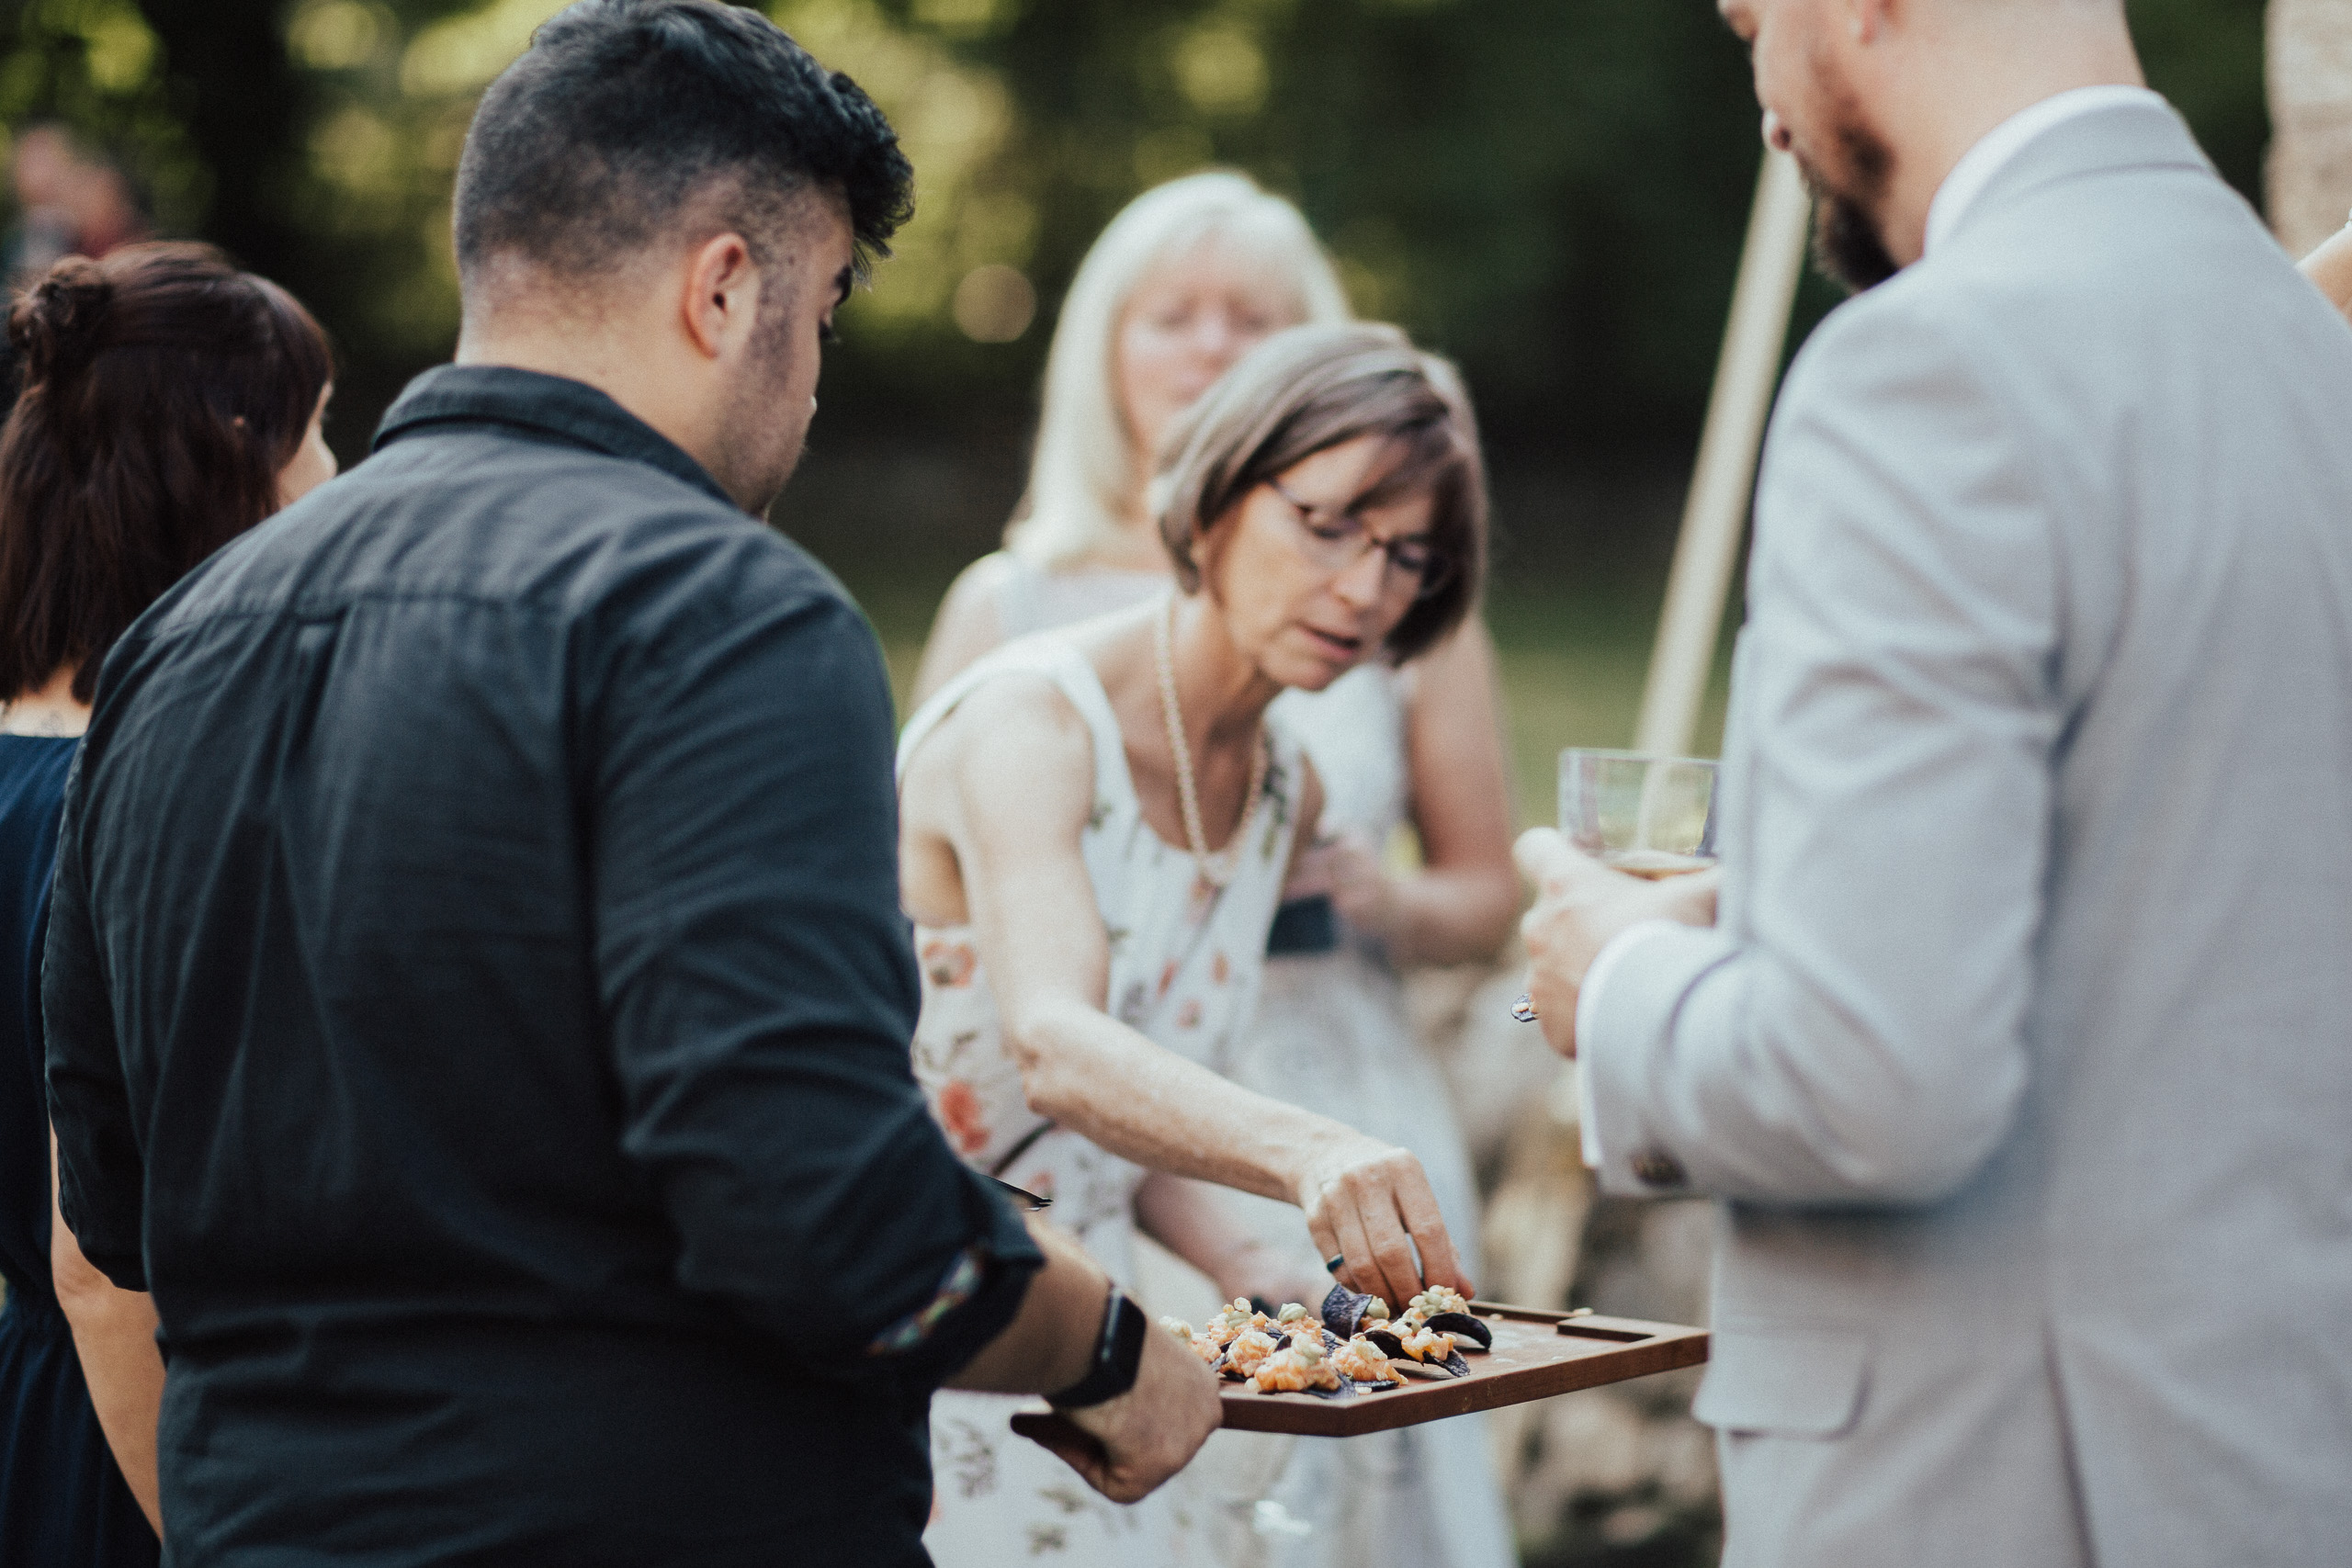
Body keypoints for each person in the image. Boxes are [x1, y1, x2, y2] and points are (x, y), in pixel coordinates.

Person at [41, 6, 1216, 1564]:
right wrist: (1111, 1349)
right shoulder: (725, 612)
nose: (811, 387)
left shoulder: (176, 647)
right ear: (726, 288)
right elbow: (820, 1206)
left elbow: (115, 1213)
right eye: (828, 312)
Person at [1516, 2, 2352, 1565]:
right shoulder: (2307, 348)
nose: (1763, 98)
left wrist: (1616, 974)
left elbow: (1871, 1079)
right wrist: (1779, 906)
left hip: (2000, 1487)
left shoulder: (1928, 367)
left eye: (1751, 22)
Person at [916, 174, 1519, 1568]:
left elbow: (1153, 1093)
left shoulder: (1282, 774)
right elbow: (1058, 1052)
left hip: (1130, 1329)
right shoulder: (1031, 717)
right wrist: (1309, 1149)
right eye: (1327, 525)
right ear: (1219, 487)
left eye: (1410, 556)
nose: (1368, 592)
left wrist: (1262, 1270)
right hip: (957, 1311)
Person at [0, 242, 332, 1568]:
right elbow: (98, 1268)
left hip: (37, 1410)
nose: (337, 476)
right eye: (320, 430)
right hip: (156, 1440)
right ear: (235, 459)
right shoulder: (157, 795)